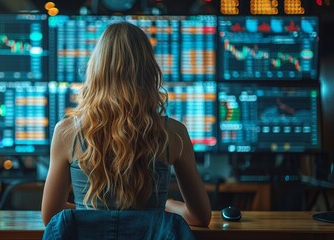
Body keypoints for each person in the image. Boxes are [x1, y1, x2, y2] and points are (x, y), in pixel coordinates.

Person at [41, 21, 211, 227]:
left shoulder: (67, 132)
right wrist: (167, 204)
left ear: (95, 72)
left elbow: (50, 216)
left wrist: (90, 212)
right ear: (149, 72)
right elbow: (200, 217)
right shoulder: (173, 133)